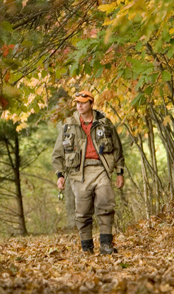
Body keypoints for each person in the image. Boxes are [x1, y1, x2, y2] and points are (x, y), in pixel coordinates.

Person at [52, 90, 125, 255]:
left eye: (83, 102)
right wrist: (60, 176)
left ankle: (106, 245)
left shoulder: (105, 123)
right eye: (77, 102)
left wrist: (119, 173)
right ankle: (87, 248)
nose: (79, 105)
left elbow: (118, 150)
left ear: (91, 104)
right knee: (83, 212)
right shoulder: (68, 126)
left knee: (106, 205)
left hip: (101, 169)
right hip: (79, 173)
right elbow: (57, 154)